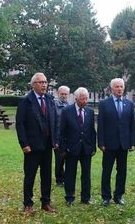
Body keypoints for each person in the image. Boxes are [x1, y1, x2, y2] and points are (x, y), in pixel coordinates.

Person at [15, 72, 58, 214]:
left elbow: (55, 121)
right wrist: (24, 144)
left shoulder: (50, 100)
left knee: (46, 175)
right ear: (33, 84)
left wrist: (55, 140)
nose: (44, 85)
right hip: (32, 146)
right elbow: (20, 124)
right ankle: (28, 204)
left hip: (47, 145)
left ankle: (46, 202)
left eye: (45, 82)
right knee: (30, 176)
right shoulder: (26, 101)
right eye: (40, 82)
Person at [97, 78, 135, 206]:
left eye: (121, 86)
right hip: (108, 144)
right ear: (112, 88)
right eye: (117, 86)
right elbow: (101, 125)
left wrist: (132, 142)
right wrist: (101, 142)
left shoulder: (129, 104)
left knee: (122, 171)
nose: (120, 89)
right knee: (107, 171)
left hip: (123, 144)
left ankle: (118, 196)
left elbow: (132, 125)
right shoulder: (104, 104)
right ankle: (106, 197)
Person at [59, 87, 96, 205]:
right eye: (82, 99)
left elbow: (92, 131)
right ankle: (69, 198)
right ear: (76, 99)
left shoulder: (90, 112)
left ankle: (86, 198)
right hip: (71, 149)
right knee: (70, 174)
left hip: (86, 148)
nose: (85, 101)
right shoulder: (66, 111)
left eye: (86, 99)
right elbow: (62, 131)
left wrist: (93, 147)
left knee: (86, 174)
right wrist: (64, 148)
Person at [54, 85, 70, 186]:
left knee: (69, 159)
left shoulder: (71, 105)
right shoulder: (53, 105)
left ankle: (68, 178)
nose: (64, 96)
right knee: (59, 159)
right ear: (58, 94)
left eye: (65, 94)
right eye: (62, 94)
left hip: (69, 137)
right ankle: (59, 179)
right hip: (58, 137)